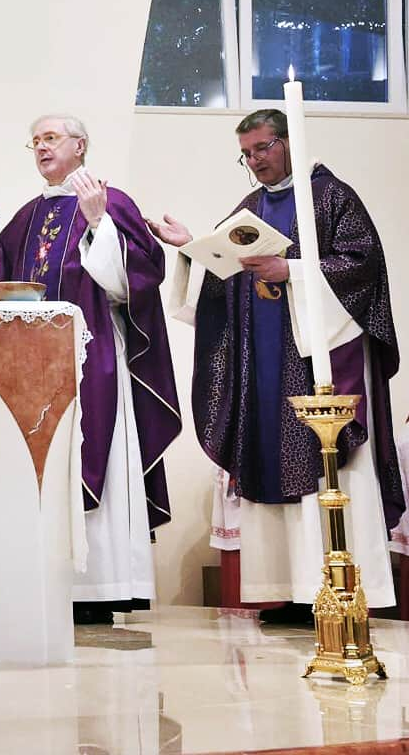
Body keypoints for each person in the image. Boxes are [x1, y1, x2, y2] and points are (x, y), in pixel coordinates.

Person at [149, 108, 402, 621]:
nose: (255, 161)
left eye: (262, 148)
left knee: (328, 472)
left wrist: (291, 270)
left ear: (288, 141)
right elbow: (227, 274)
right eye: (246, 154)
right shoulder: (251, 206)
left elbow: (363, 267)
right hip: (263, 368)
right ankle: (290, 589)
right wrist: (192, 249)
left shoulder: (331, 197)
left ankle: (334, 592)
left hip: (318, 366)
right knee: (267, 459)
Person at [0, 114, 181, 623]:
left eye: (52, 138)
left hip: (94, 363)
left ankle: (103, 585)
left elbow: (131, 284)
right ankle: (48, 583)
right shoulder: (24, 218)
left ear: (81, 146)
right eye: (36, 141)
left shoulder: (112, 202)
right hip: (34, 373)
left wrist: (98, 224)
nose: (42, 148)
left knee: (99, 457)